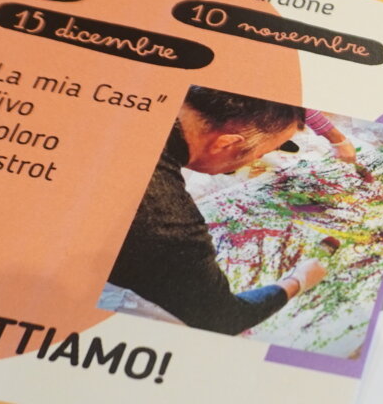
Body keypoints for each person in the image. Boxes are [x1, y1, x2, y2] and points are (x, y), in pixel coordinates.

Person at [108, 87, 327, 336]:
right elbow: (222, 318)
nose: (258, 160)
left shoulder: (136, 98)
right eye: (263, 153)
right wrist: (298, 281)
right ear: (227, 143)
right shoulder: (168, 221)